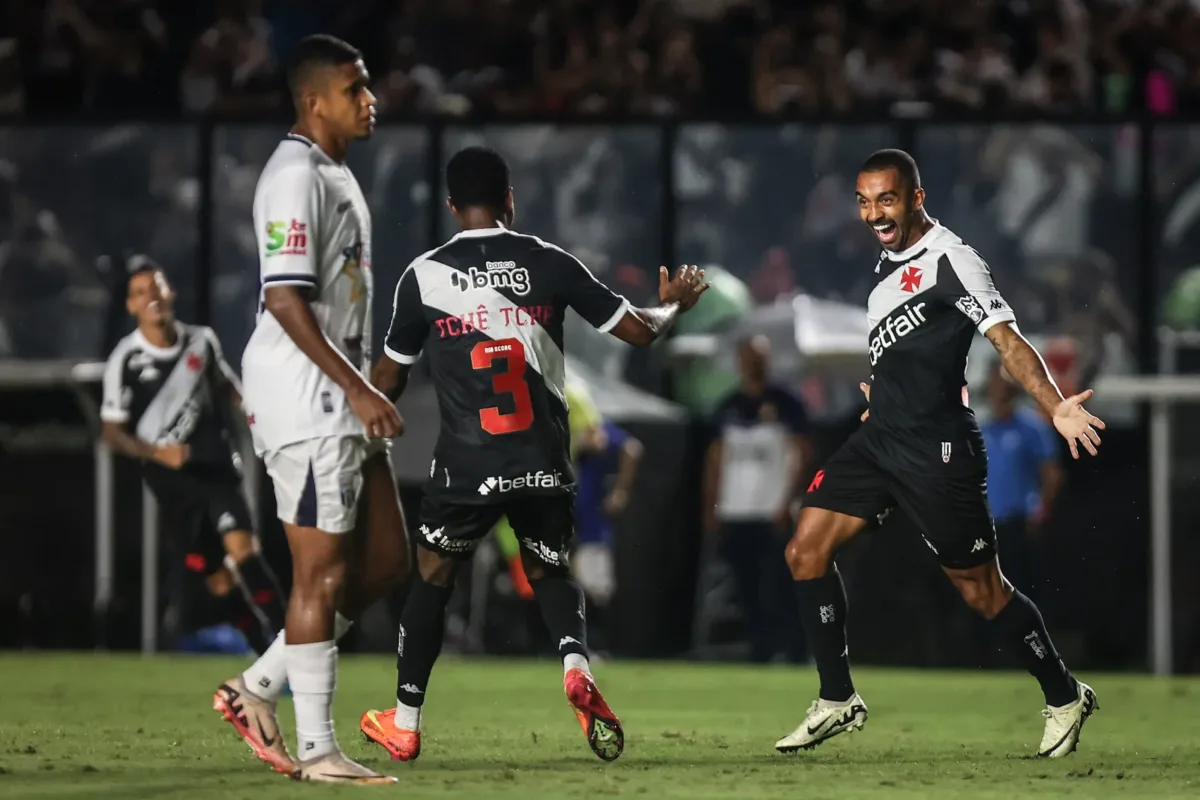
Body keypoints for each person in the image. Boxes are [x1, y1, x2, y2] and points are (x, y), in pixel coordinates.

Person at [359, 146, 708, 764]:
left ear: (450, 206)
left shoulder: (424, 275)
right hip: (543, 460)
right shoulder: (549, 262)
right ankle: (575, 662)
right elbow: (641, 329)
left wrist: (349, 397)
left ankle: (405, 721)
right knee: (549, 570)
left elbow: (386, 380)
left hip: (465, 464)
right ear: (510, 199)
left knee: (433, 578)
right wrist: (676, 300)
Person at [775, 149, 1103, 759]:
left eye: (888, 199)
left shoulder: (952, 260)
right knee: (804, 550)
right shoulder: (882, 266)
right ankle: (837, 697)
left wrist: (1054, 404)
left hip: (939, 449)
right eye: (865, 201)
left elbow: (1006, 339)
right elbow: (906, 350)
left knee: (982, 591)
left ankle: (1064, 695)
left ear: (917, 198)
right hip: (880, 440)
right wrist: (882, 389)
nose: (875, 212)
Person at [210, 35, 409, 785]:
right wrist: (356, 386)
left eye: (368, 87)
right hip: (307, 393)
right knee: (319, 573)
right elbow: (284, 296)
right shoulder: (294, 175)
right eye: (355, 89)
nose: (370, 100)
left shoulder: (333, 172)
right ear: (313, 99)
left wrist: (367, 379)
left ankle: (255, 686)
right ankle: (319, 748)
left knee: (387, 558)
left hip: (342, 391)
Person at [101, 258, 287, 656]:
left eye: (156, 288)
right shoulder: (125, 360)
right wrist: (155, 452)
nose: (151, 297)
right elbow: (111, 433)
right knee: (219, 580)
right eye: (140, 293)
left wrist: (260, 416)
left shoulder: (201, 341)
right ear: (131, 307)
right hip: (173, 488)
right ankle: (261, 653)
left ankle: (291, 646)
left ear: (171, 294)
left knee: (244, 551)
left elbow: (227, 389)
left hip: (216, 469)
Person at [703, 334, 810, 663]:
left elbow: (804, 454)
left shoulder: (787, 403)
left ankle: (794, 650)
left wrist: (789, 501)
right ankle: (760, 650)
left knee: (783, 584)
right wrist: (712, 507)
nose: (754, 364)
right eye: (749, 357)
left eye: (759, 357)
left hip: (773, 511)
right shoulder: (728, 407)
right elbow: (715, 461)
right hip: (737, 511)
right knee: (747, 586)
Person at [979, 360, 1062, 604]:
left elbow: (1052, 474)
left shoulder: (1031, 427)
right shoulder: (982, 429)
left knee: (1020, 594)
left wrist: (1040, 512)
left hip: (1019, 526)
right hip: (987, 528)